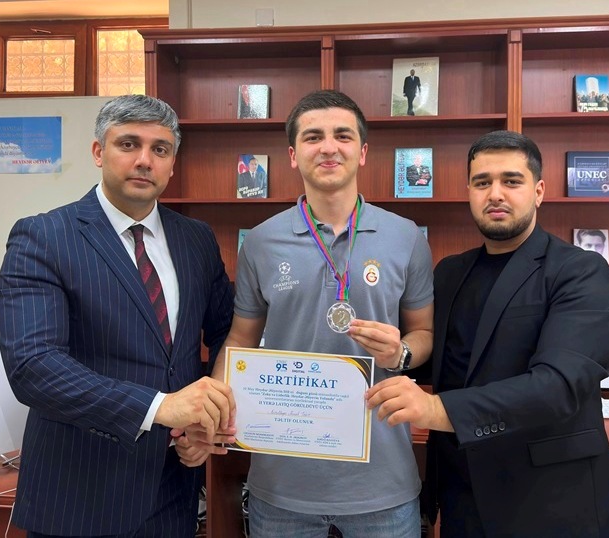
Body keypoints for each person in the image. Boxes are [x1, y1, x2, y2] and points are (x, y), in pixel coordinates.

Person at [177, 90, 435, 537]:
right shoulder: (260, 241)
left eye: (343, 136)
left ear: (363, 152)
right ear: (294, 155)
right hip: (282, 486)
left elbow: (423, 333)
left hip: (382, 484)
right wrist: (210, 414)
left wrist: (401, 354)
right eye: (313, 137)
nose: (329, 147)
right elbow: (240, 339)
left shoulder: (406, 237)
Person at [366, 130, 609, 538]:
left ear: (538, 191)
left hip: (552, 504)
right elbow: (450, 365)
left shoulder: (580, 271)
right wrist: (400, 355)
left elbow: (557, 387)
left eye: (511, 181)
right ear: (469, 193)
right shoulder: (450, 272)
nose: (495, 194)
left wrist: (435, 410)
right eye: (482, 182)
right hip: (462, 499)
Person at [0, 94, 236, 538]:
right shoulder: (44, 236)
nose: (144, 160)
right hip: (79, 495)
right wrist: (160, 407)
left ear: (172, 164)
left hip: (173, 491)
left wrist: (210, 418)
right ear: (98, 152)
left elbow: (229, 330)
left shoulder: (196, 239)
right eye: (128, 144)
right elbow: (33, 366)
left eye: (160, 149)